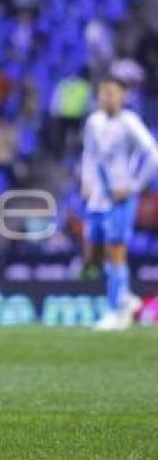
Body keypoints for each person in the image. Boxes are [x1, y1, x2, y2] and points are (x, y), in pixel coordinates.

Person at [82, 77, 158, 331]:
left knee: (116, 249)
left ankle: (116, 310)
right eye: (103, 92)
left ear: (122, 96)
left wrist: (134, 185)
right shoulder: (94, 122)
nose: (106, 97)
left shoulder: (129, 122)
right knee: (92, 253)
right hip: (97, 198)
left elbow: (153, 154)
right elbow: (89, 154)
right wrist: (86, 181)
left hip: (120, 197)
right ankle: (125, 297)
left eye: (112, 93)